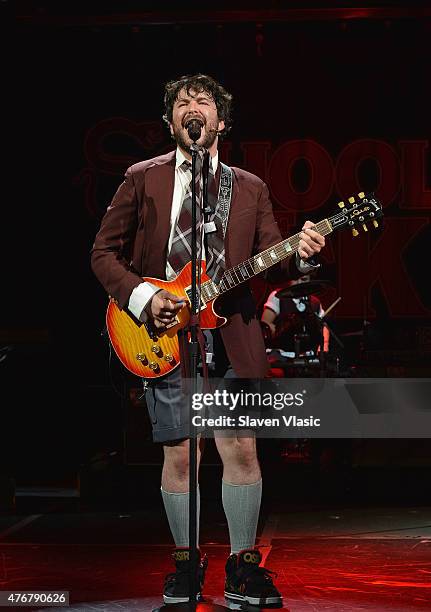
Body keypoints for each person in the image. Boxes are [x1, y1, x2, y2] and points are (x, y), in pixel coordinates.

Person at [91, 74, 325, 606]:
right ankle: (185, 565)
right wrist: (143, 298)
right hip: (164, 335)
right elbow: (103, 254)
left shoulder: (250, 188)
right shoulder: (141, 178)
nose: (191, 109)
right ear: (170, 122)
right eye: (180, 103)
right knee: (181, 455)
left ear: (220, 121)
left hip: (233, 334)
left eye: (202, 102)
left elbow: (275, 254)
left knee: (240, 449)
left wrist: (304, 251)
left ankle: (243, 570)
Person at [261, 274, 330, 356]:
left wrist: (324, 345)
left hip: (307, 355)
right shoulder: (278, 296)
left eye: (303, 279)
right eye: (295, 279)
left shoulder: (315, 302)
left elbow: (323, 327)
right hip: (282, 354)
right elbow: (265, 324)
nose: (299, 283)